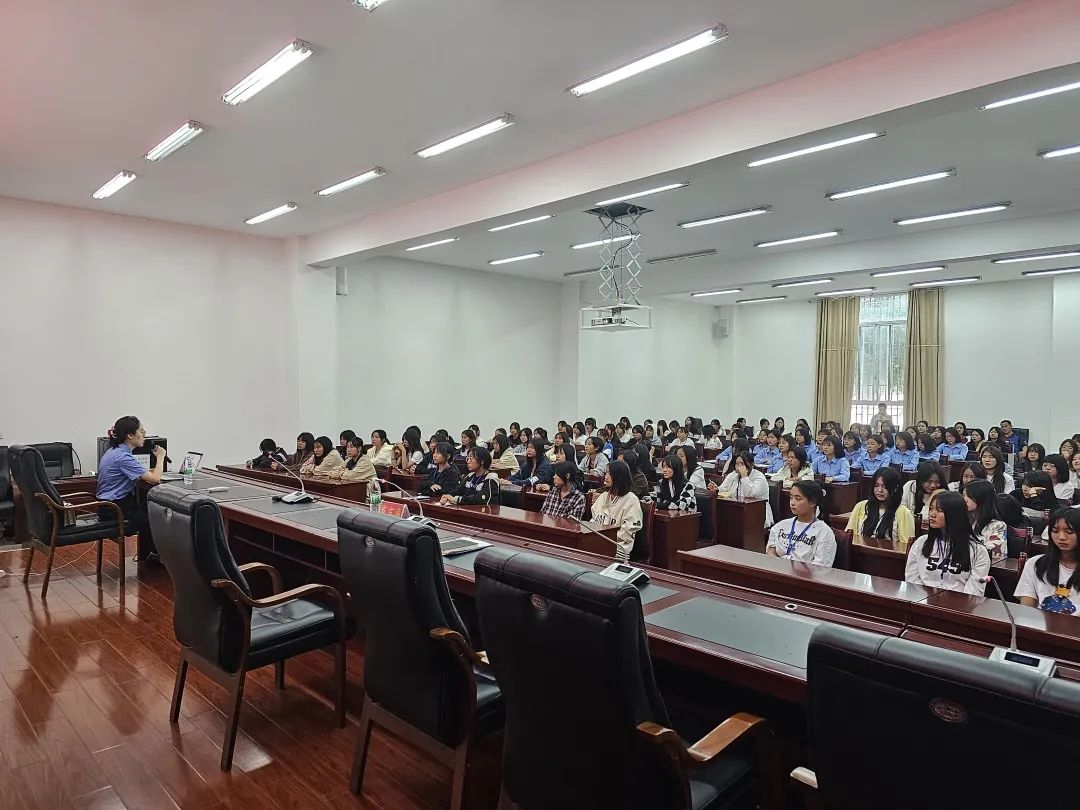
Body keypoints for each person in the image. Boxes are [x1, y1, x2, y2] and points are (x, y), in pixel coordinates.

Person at [904, 490, 990, 594]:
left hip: (959, 603)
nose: (932, 514)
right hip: (922, 601)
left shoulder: (978, 551)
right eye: (931, 509)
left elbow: (974, 592)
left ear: (955, 514)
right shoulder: (921, 543)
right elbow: (911, 580)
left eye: (939, 510)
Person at [97, 416, 165, 531]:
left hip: (109, 505)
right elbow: (156, 478)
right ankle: (152, 544)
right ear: (130, 435)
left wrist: (145, 473)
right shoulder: (123, 457)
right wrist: (160, 456)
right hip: (114, 509)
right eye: (141, 431)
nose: (144, 434)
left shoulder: (114, 451)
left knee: (149, 508)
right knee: (157, 515)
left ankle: (148, 544)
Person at [1016, 507, 1080, 614]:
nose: (1061, 537)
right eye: (1055, 531)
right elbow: (1025, 611)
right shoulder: (1035, 564)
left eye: (1069, 532)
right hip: (1040, 623)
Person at [767, 481, 836, 566]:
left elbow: (821, 567)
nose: (792, 503)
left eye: (798, 499)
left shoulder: (824, 532)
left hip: (806, 573)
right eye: (791, 498)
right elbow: (771, 552)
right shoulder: (780, 526)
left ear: (812, 502)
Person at [589, 461, 644, 560]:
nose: (606, 477)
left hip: (618, 550)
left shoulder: (631, 500)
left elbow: (627, 533)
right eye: (606, 473)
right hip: (597, 545)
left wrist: (604, 541)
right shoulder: (603, 496)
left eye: (610, 473)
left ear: (620, 477)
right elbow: (593, 521)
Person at [846, 467, 915, 543]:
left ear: (895, 488)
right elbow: (848, 537)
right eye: (876, 485)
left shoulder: (904, 513)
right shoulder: (861, 506)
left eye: (884, 487)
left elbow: (906, 545)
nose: (880, 490)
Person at [712, 451, 774, 527]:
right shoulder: (733, 475)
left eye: (742, 464)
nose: (739, 467)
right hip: (736, 510)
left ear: (752, 465)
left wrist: (744, 476)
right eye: (737, 463)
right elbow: (723, 490)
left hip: (757, 513)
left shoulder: (759, 477)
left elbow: (750, 494)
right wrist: (716, 489)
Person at [964, 479, 1006, 561]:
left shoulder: (998, 526)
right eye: (963, 495)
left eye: (968, 496)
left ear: (981, 498)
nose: (964, 499)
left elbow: (994, 554)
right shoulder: (962, 520)